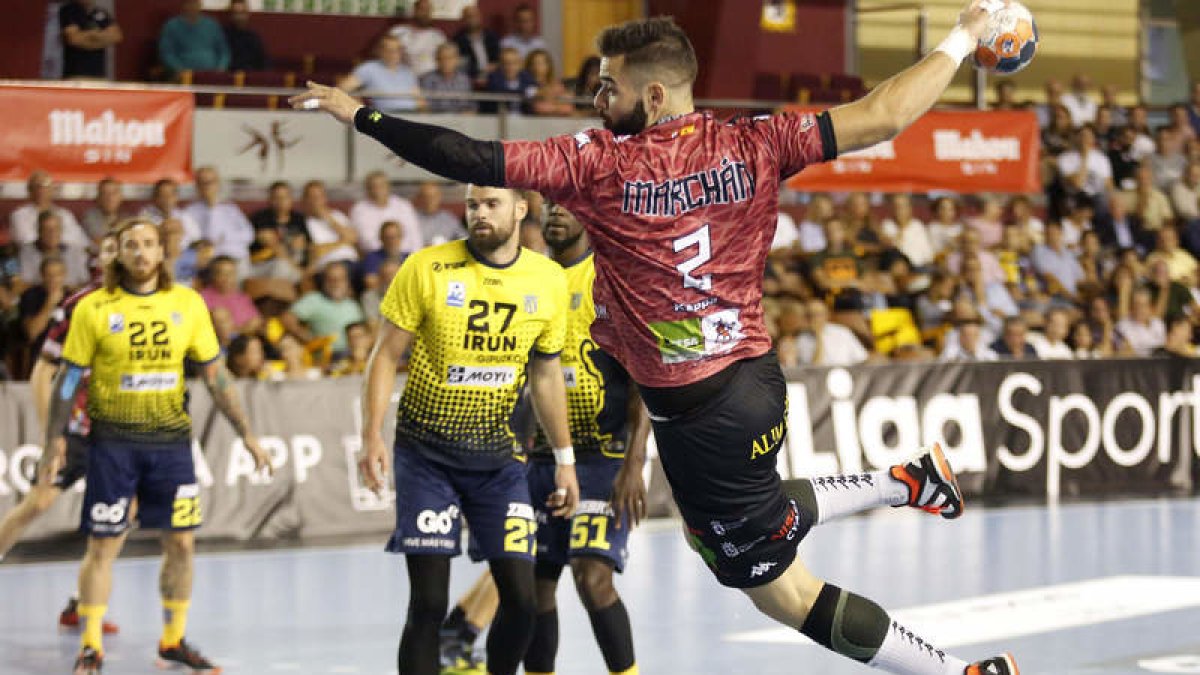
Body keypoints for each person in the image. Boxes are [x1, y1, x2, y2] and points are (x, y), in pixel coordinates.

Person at [292, 4, 1019, 672]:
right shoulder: (758, 139)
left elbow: (468, 157)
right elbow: (883, 115)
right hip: (755, 381)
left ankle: (960, 668)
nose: (596, 101)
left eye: (608, 87)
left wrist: (362, 117)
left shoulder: (594, 164)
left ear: (656, 96)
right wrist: (961, 38)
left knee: (780, 591)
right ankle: (907, 481)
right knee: (758, 518)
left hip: (700, 419)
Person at [354, 185, 579, 675]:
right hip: (425, 455)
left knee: (522, 600)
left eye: (492, 203)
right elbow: (386, 355)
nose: (480, 213)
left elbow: (545, 373)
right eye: (473, 204)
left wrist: (565, 460)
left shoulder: (546, 278)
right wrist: (372, 434)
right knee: (429, 605)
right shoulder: (427, 267)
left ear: (522, 209)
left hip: (499, 461)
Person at [438, 202, 649, 674]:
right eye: (549, 205)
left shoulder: (612, 279)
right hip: (547, 459)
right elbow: (529, 374)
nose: (555, 212)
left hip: (605, 456)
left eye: (568, 205)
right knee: (535, 585)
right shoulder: (534, 280)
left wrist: (634, 463)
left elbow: (645, 379)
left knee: (592, 578)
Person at [52, 217, 269, 674]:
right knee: (104, 545)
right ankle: (90, 645)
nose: (141, 252)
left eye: (149, 244)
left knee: (183, 545)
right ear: (118, 253)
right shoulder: (95, 308)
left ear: (161, 252)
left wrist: (247, 433)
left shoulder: (187, 304)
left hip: (170, 444)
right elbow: (68, 376)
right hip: (112, 443)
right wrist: (55, 440)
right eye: (131, 245)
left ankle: (173, 640)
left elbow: (215, 375)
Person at [0, 233, 120, 636]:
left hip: (120, 430)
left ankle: (81, 603)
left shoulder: (153, 306)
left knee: (122, 517)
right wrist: (52, 437)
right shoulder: (78, 306)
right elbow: (42, 371)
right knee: (38, 501)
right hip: (75, 426)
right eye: (110, 252)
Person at [282, 260, 364, 356]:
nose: (336, 283)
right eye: (331, 279)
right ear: (324, 281)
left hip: (354, 354)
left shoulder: (352, 304)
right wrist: (307, 338)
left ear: (347, 281)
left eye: (340, 279)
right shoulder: (314, 299)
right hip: (328, 356)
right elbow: (287, 318)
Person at [183, 166, 254, 265]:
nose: (207, 187)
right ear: (197, 186)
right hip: (207, 260)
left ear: (218, 184)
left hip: (234, 256)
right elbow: (188, 239)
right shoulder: (190, 211)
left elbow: (249, 235)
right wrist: (211, 206)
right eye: (203, 183)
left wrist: (225, 237)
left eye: (211, 182)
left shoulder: (231, 209)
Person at [338, 34, 421, 113]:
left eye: (397, 49)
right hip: (384, 116)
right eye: (388, 49)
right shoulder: (368, 68)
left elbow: (420, 100)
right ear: (380, 51)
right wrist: (360, 107)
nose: (393, 53)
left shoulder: (407, 72)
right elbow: (343, 88)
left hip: (412, 115)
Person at [10, 171, 89, 249]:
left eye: (46, 186)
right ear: (29, 190)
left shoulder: (64, 214)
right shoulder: (19, 215)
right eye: (38, 186)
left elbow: (80, 241)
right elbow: (26, 240)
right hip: (33, 256)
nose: (42, 190)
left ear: (52, 189)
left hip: (65, 256)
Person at [349, 171, 423, 254]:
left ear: (388, 186)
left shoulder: (404, 206)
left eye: (381, 185)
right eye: (373, 186)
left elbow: (415, 237)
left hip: (405, 254)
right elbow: (366, 241)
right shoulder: (359, 209)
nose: (377, 189)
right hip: (376, 256)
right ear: (367, 188)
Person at [18, 210, 90, 288]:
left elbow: (84, 282)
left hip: (71, 296)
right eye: (46, 229)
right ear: (39, 231)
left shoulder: (75, 251)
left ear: (61, 230)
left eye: (56, 228)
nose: (52, 233)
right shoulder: (27, 251)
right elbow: (25, 283)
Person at [158, 0, 230, 77]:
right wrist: (179, 69)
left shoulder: (212, 25)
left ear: (200, 4)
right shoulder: (171, 26)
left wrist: (221, 69)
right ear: (184, 5)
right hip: (183, 76)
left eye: (195, 3)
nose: (193, 6)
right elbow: (167, 53)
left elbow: (224, 52)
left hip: (213, 75)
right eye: (190, 3)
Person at [59, 0, 122, 80]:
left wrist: (92, 36)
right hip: (75, 75)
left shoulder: (100, 13)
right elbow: (73, 39)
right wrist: (100, 37)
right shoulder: (68, 10)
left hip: (99, 76)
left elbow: (116, 36)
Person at [389, 0, 445, 77]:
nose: (426, 14)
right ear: (414, 11)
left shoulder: (438, 36)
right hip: (403, 78)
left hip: (432, 81)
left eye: (429, 10)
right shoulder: (398, 32)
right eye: (422, 9)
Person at [142, 178, 202, 248]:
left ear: (176, 197)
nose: (167, 199)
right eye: (163, 195)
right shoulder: (145, 217)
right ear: (155, 198)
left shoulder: (185, 217)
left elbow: (196, 241)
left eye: (170, 195)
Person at [420, 42, 475, 113]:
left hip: (461, 121)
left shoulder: (464, 79)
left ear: (457, 59)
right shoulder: (427, 79)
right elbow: (425, 108)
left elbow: (471, 106)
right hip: (435, 120)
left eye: (450, 58)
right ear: (436, 60)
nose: (446, 62)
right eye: (442, 58)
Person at [453, 4, 500, 85]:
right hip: (469, 79)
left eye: (475, 16)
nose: (472, 19)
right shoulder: (457, 40)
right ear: (463, 20)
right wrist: (479, 73)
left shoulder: (491, 37)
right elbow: (460, 64)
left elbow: (498, 59)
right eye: (468, 16)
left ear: (480, 17)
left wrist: (493, 67)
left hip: (493, 77)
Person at [483, 47, 537, 114]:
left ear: (520, 65)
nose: (510, 67)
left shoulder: (526, 77)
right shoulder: (494, 77)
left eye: (514, 63)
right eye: (506, 63)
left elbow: (535, 88)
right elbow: (501, 91)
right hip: (499, 118)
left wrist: (530, 91)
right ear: (500, 65)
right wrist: (526, 92)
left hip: (524, 119)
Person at [413, 181, 467, 246]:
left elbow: (463, 238)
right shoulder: (412, 217)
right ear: (419, 198)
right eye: (426, 197)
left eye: (433, 197)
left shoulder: (449, 218)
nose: (430, 201)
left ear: (439, 197)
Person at [224, 0, 267, 72]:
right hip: (229, 77)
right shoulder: (224, 36)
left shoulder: (254, 38)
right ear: (230, 15)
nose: (239, 17)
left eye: (242, 13)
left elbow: (264, 63)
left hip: (251, 78)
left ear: (248, 14)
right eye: (236, 13)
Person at [81, 178, 126, 245]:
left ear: (121, 197)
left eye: (114, 193)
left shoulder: (128, 217)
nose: (110, 198)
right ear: (98, 198)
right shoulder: (90, 217)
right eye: (104, 193)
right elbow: (100, 242)